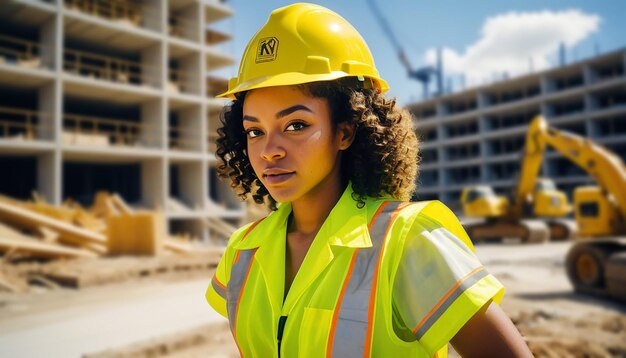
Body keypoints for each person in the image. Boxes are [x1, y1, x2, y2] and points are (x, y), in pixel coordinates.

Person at [206, 3, 533, 357]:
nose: (269, 150)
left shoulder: (408, 241)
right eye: (254, 131)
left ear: (345, 132)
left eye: (296, 125)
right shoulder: (242, 251)